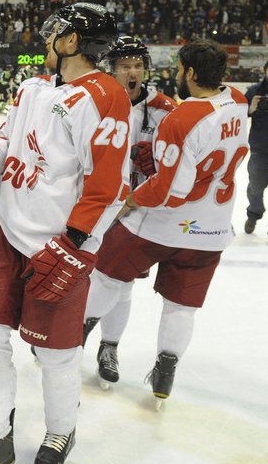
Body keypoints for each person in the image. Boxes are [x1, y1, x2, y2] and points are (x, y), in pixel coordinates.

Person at [0, 3, 128, 464]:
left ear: (71, 43)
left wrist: (73, 245)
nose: (46, 43)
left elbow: (108, 184)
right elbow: (11, 151)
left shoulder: (104, 95)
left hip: (58, 244)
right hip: (7, 233)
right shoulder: (32, 88)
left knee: (55, 351)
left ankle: (60, 430)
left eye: (55, 35)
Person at [83, 41, 248, 406]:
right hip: (213, 226)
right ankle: (165, 375)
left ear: (189, 73)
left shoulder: (177, 115)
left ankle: (78, 334)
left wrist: (132, 198)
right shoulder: (237, 99)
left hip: (162, 221)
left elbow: (170, 191)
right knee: (181, 306)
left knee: (109, 274)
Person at [82, 35, 176, 386]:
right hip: (94, 203)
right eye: (125, 66)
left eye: (138, 65)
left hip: (135, 210)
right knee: (88, 275)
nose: (133, 72)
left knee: (119, 283)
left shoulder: (166, 109)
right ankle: (75, 331)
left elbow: (177, 164)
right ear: (111, 69)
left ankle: (109, 346)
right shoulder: (96, 100)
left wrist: (152, 168)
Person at [243, 61, 268, 234]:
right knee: (255, 188)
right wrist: (250, 109)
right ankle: (253, 214)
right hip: (259, 150)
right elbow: (237, 114)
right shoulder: (254, 91)